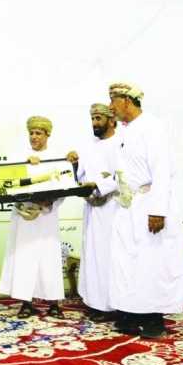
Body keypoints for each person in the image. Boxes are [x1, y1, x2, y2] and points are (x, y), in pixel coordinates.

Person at [92, 82, 183, 338]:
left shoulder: (152, 127)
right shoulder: (125, 132)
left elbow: (162, 171)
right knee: (126, 264)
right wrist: (97, 188)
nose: (111, 107)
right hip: (128, 206)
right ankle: (130, 315)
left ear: (126, 101)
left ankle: (154, 321)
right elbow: (122, 174)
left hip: (149, 205)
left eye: (113, 101)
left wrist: (158, 211)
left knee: (151, 264)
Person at [0, 116, 66, 318]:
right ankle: (26, 303)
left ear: (47, 135)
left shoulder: (57, 157)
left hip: (46, 217)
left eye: (38, 133)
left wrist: (47, 204)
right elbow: (9, 183)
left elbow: (63, 187)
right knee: (24, 257)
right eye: (31, 133)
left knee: (49, 258)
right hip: (23, 217)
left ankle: (54, 303)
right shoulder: (19, 156)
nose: (34, 137)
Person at [67, 104, 120, 322]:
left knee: (111, 257)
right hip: (92, 208)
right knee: (94, 256)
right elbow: (81, 177)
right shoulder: (89, 147)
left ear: (111, 120)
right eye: (93, 119)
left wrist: (99, 185)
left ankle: (114, 305)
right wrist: (75, 164)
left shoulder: (121, 144)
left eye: (99, 118)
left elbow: (122, 176)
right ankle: (97, 304)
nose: (95, 123)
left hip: (114, 208)